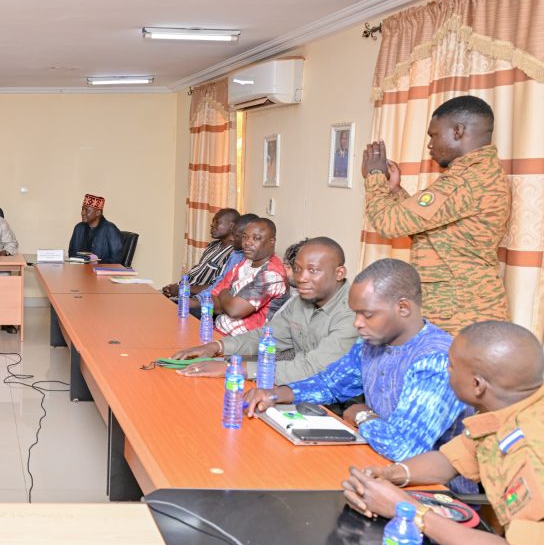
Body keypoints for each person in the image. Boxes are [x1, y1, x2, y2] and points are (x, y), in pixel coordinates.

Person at [342, 321, 544, 545]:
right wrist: (391, 475)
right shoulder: (511, 410)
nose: (446, 371)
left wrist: (412, 513)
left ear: (476, 385)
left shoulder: (530, 453)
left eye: (450, 365)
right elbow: (450, 460)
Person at [244, 259, 476, 492]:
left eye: (367, 314)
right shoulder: (373, 342)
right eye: (355, 313)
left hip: (433, 492)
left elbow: (403, 448)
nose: (357, 323)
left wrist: (362, 415)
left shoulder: (436, 360)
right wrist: (276, 394)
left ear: (403, 308)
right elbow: (331, 383)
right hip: (377, 466)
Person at [362, 95, 510, 335]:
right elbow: (426, 228)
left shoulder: (465, 181)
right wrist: (396, 191)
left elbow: (388, 224)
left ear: (458, 131)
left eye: (434, 135)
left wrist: (374, 177)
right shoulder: (480, 173)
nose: (430, 145)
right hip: (466, 306)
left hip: (461, 314)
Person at [175, 237, 356, 384]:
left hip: (333, 402)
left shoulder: (353, 313)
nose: (301, 278)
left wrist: (234, 369)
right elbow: (266, 336)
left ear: (339, 273)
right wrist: (216, 347)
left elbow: (314, 368)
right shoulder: (303, 300)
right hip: (294, 383)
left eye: (313, 270)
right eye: (298, 269)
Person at [208, 218, 287, 336]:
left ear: (272, 242)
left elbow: (234, 310)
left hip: (242, 341)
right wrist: (227, 303)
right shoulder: (245, 262)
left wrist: (224, 293)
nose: (247, 243)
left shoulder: (272, 275)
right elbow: (212, 296)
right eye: (245, 237)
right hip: (217, 330)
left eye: (256, 238)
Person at [162, 208, 240, 300]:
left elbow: (218, 286)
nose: (212, 225)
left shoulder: (234, 254)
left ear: (231, 226)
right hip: (184, 292)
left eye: (217, 222)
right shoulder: (213, 245)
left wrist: (183, 289)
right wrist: (175, 287)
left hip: (199, 300)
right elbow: (198, 274)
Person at [67, 194, 124, 264]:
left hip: (102, 270)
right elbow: (72, 253)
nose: (82, 213)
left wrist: (96, 263)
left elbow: (116, 259)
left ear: (98, 213)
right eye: (82, 210)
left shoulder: (110, 229)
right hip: (81, 269)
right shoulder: (79, 228)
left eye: (87, 211)